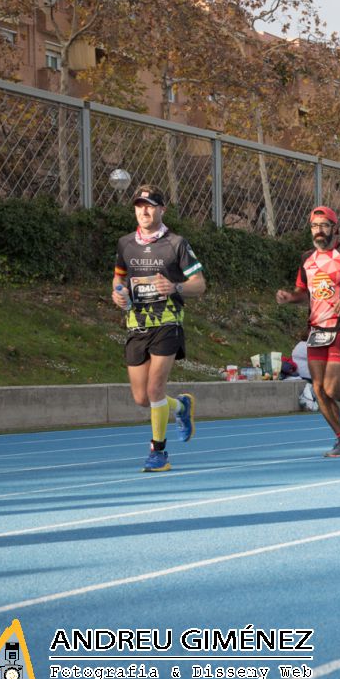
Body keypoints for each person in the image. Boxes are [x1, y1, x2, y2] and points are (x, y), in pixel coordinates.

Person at [112, 185, 206, 473]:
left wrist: (175, 286)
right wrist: (117, 294)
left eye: (150, 205)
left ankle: (158, 452)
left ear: (162, 210)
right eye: (140, 206)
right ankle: (181, 407)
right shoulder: (125, 243)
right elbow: (118, 278)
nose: (144, 211)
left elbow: (199, 284)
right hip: (136, 325)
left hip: (167, 322)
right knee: (142, 398)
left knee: (155, 388)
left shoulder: (176, 243)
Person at [276, 206, 340, 457]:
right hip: (316, 329)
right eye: (314, 226)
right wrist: (290, 297)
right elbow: (303, 292)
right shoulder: (307, 259)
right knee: (319, 389)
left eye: (324, 225)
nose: (319, 230)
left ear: (335, 228)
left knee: (332, 388)